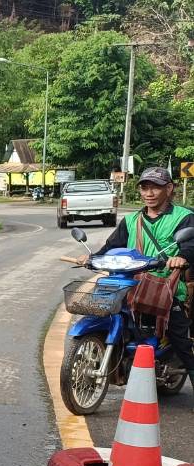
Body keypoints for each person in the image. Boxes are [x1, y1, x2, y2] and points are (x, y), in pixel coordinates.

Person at [81, 167, 194, 401]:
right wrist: (92, 258)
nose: (148, 193)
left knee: (182, 342)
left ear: (169, 189)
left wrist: (181, 258)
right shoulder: (132, 220)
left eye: (155, 188)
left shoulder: (184, 217)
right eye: (144, 188)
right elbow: (112, 246)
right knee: (105, 310)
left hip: (166, 287)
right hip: (130, 283)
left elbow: (190, 245)